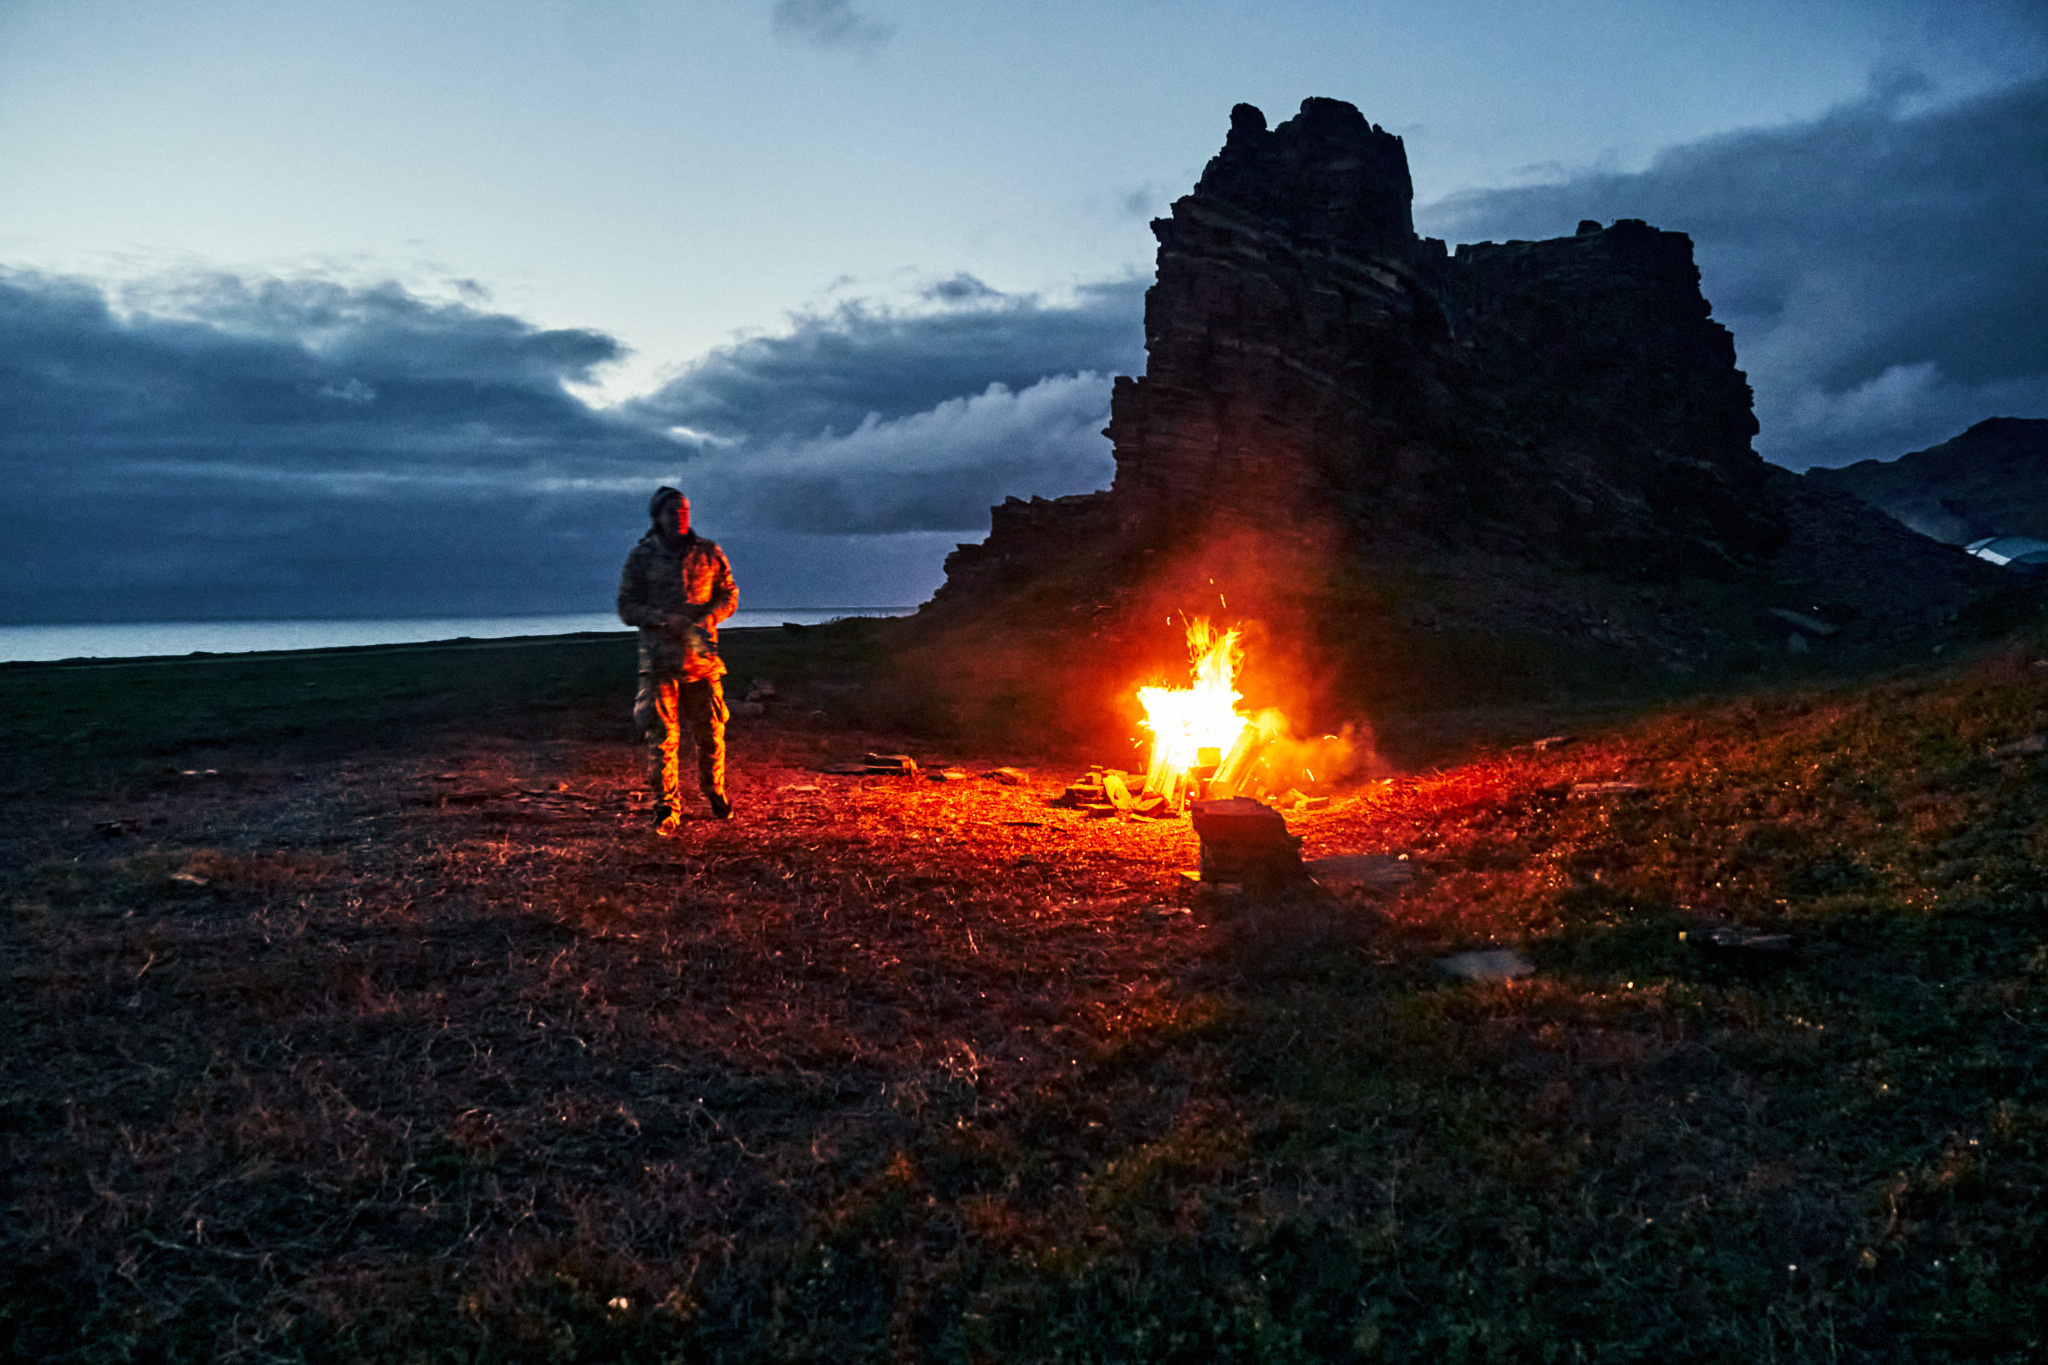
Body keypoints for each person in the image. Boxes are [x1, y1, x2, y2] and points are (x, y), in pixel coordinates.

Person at [616, 487, 739, 831]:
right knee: (662, 739)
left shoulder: (709, 553)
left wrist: (708, 618)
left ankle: (715, 791)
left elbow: (729, 594)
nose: (680, 517)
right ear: (657, 516)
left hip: (702, 661)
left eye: (685, 510)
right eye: (673, 512)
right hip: (659, 664)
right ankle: (666, 806)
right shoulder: (641, 557)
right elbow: (626, 607)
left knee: (712, 734)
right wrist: (662, 618)